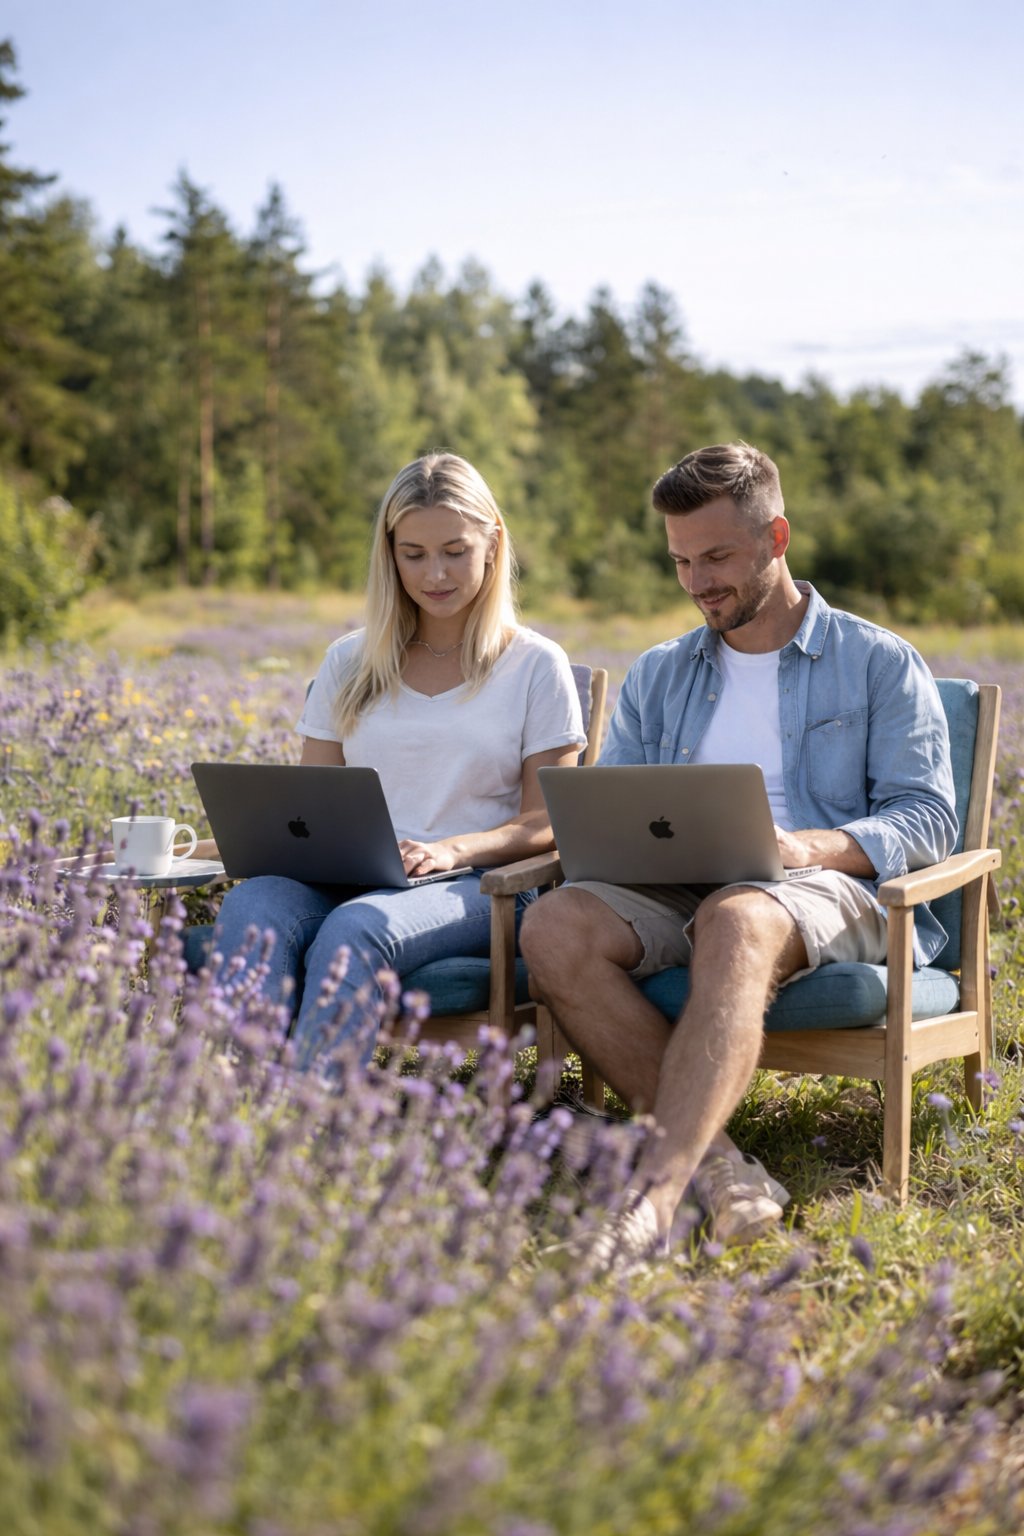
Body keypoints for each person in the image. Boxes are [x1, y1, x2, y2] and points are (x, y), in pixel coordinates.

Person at [521, 441, 956, 1268]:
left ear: (776, 538)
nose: (697, 582)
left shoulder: (878, 662)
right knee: (553, 927)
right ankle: (721, 1169)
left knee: (738, 915)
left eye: (716, 556)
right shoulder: (659, 674)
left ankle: (652, 1200)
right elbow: (614, 805)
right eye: (682, 561)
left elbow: (929, 816)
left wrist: (807, 846)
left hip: (828, 886)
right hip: (681, 882)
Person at [212, 452, 586, 1069]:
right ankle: (236, 1114)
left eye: (454, 551)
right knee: (250, 907)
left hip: (479, 887)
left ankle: (309, 1125)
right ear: (389, 553)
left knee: (358, 927)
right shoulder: (350, 662)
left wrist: (452, 850)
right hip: (349, 874)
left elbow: (546, 823)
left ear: (492, 542)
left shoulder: (535, 666)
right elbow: (311, 803)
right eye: (413, 554)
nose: (434, 573)